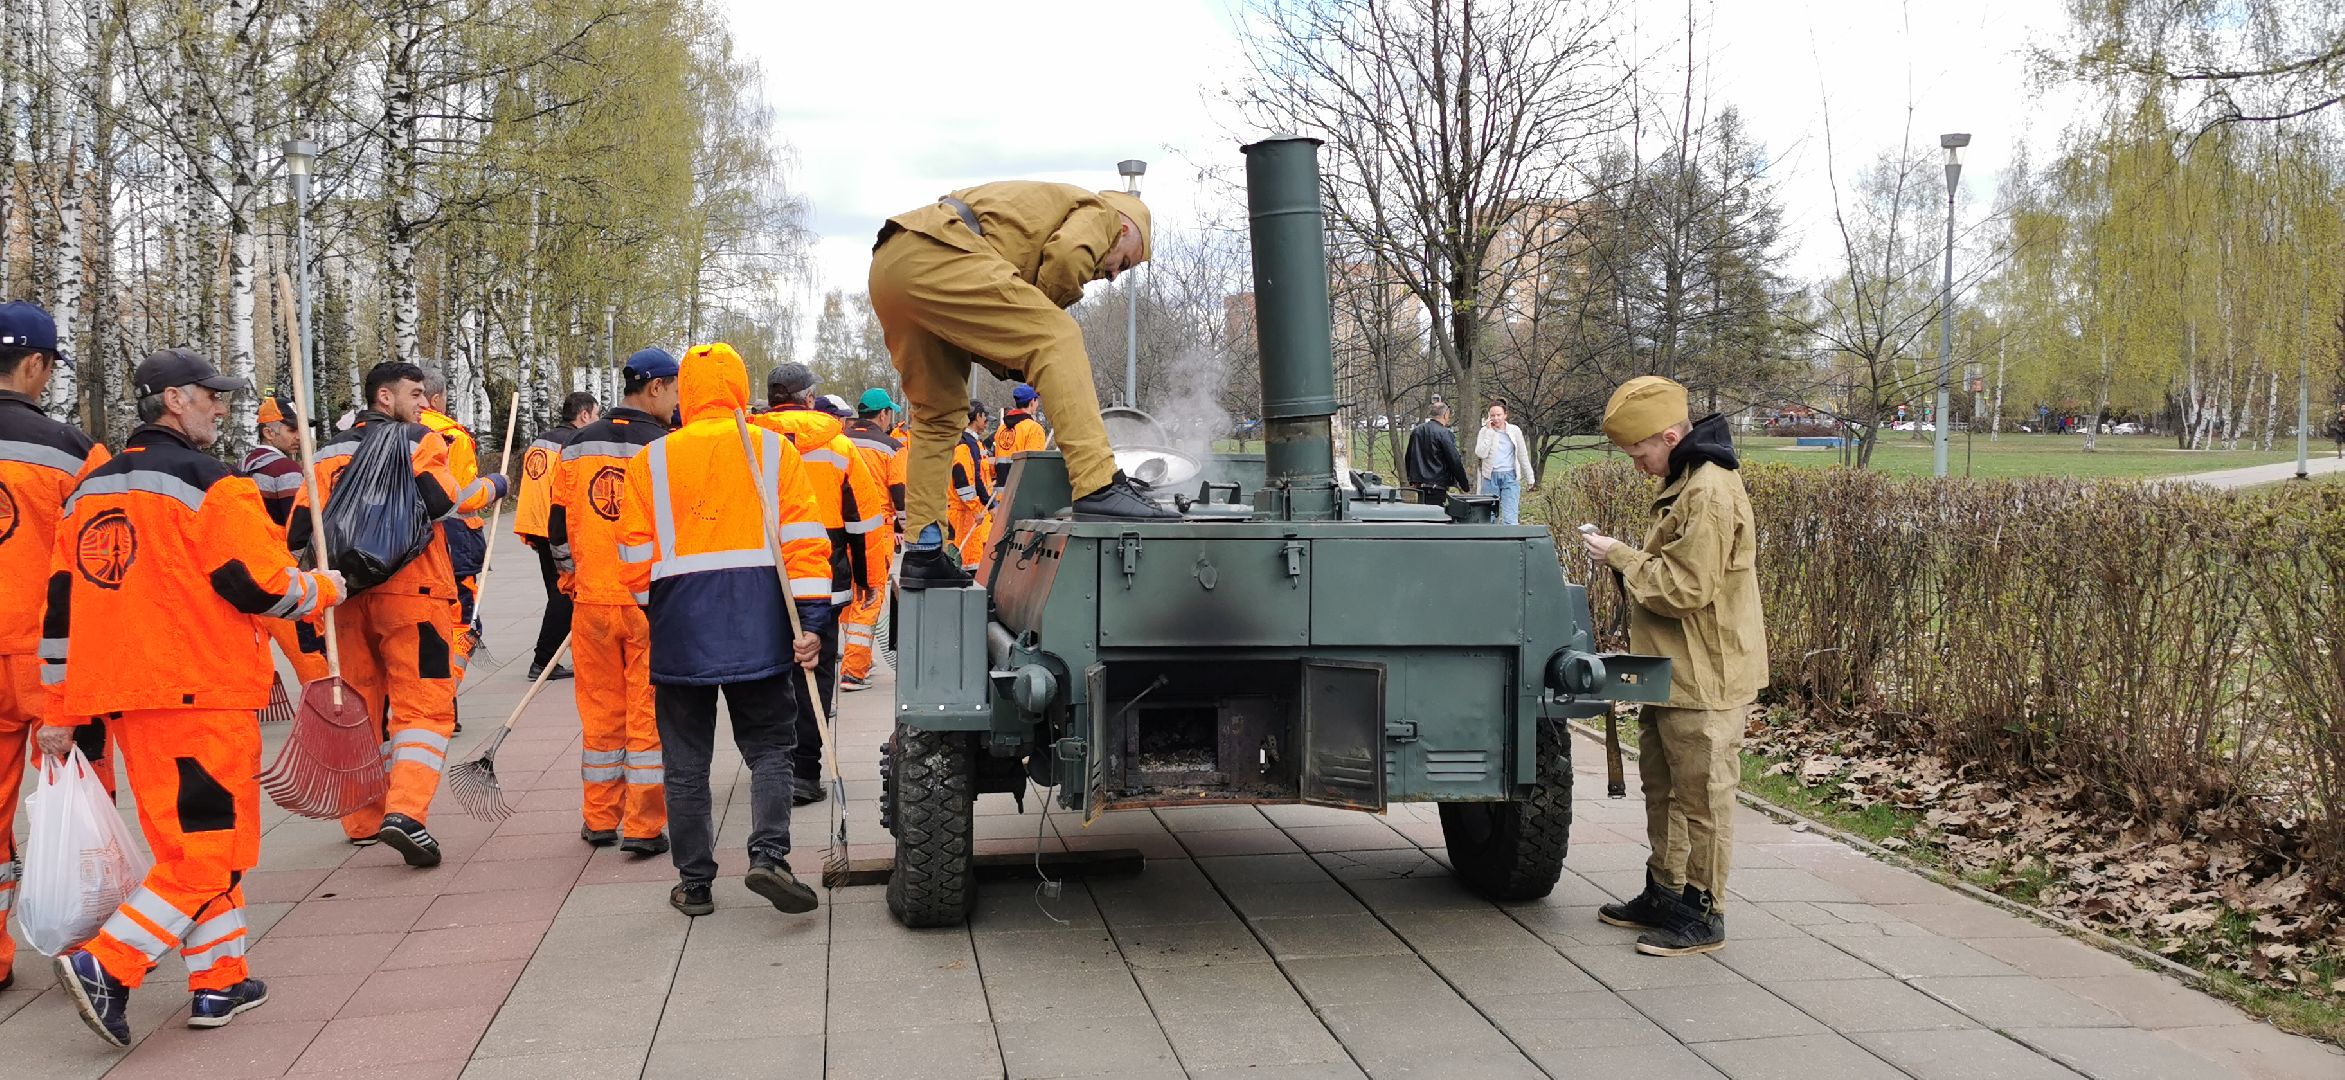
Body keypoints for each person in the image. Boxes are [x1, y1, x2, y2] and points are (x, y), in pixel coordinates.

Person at [44, 348, 345, 1044]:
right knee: (208, 855)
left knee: (189, 846)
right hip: (201, 693)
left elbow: (59, 612)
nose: (222, 406)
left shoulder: (88, 493)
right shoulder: (215, 486)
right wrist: (326, 590)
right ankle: (106, 964)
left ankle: (219, 983)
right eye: (213, 395)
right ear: (176, 400)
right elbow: (262, 587)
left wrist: (61, 709)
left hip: (129, 700)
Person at [867, 181, 1178, 591]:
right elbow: (1066, 258)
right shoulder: (1102, 213)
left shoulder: (1049, 210)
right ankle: (1099, 485)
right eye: (1127, 261)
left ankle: (924, 550)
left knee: (938, 414)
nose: (1116, 274)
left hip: (892, 268)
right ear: (1124, 230)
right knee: (1058, 336)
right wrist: (1034, 338)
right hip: (941, 251)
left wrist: (1018, 346)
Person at [616, 342, 830, 919]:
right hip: (760, 628)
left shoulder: (652, 461)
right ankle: (769, 856)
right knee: (770, 750)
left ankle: (695, 883)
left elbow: (634, 562)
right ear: (739, 389)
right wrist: (810, 625)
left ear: (685, 391)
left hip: (680, 632)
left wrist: (656, 612)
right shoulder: (773, 452)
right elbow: (805, 546)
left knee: (686, 764)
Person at [1579, 376, 1767, 957]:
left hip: (1706, 676)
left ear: (1668, 435)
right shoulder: (1685, 478)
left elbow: (1686, 588)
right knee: (1663, 790)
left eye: (1640, 452)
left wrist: (1620, 556)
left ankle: (1703, 911)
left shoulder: (1708, 491)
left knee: (1704, 799)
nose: (1637, 464)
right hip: (1675, 671)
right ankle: (1665, 892)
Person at [290, 361, 504, 865]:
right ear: (384, 398)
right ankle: (406, 814)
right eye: (415, 394)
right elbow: (441, 500)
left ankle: (363, 820)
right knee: (425, 706)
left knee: (360, 707)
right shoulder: (417, 441)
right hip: (414, 593)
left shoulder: (324, 454)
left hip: (345, 598)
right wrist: (493, 487)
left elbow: (299, 530)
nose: (425, 403)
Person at [0, 301, 111, 995]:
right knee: (81, 793)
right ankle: (91, 944)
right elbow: (108, 557)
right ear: (37, 364)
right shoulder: (74, 451)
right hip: (54, 658)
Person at [549, 352, 675, 855]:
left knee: (601, 712)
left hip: (592, 602)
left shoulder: (577, 443)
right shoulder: (665, 447)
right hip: (649, 600)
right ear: (655, 389)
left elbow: (556, 524)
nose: (678, 400)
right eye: (675, 390)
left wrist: (569, 576)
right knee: (648, 711)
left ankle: (600, 817)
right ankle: (644, 826)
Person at [753, 363, 890, 803]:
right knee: (813, 675)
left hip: (759, 579)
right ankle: (805, 772)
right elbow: (864, 521)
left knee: (767, 677)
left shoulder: (747, 440)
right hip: (823, 580)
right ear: (810, 398)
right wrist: (869, 579)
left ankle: (770, 768)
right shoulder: (837, 446)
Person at [239, 394, 329, 686]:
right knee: (310, 651)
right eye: (292, 429)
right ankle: (328, 711)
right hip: (285, 572)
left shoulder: (243, 467)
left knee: (249, 650)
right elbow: (299, 527)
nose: (299, 436)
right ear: (269, 431)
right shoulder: (286, 471)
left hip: (249, 573)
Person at [515, 391, 599, 681]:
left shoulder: (541, 441)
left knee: (559, 593)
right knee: (564, 594)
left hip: (535, 524)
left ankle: (558, 656)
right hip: (555, 529)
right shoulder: (573, 444)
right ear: (584, 415)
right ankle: (543, 659)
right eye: (596, 415)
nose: (596, 421)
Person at [418, 372, 490, 684]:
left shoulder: (392, 433)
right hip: (455, 544)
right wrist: (495, 485)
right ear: (435, 399)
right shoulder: (450, 436)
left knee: (425, 627)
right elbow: (464, 496)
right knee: (464, 624)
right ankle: (446, 692)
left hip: (410, 551)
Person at [839, 390, 904, 692]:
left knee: (847, 594)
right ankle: (854, 670)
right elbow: (900, 492)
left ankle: (857, 656)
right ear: (882, 415)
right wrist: (906, 526)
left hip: (839, 528)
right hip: (876, 531)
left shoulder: (839, 442)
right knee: (870, 595)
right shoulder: (891, 447)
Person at [1474, 403, 1535, 525]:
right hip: (1490, 477)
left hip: (1510, 477)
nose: (1496, 418)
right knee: (1488, 517)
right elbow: (1480, 453)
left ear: (1505, 415)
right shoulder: (1484, 431)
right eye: (1492, 415)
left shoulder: (1514, 430)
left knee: (1510, 517)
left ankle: (1510, 541)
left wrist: (1530, 477)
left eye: (1499, 415)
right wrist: (1490, 433)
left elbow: (1522, 454)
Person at [951, 402, 994, 573]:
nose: (986, 423)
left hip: (971, 516)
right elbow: (964, 483)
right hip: (963, 516)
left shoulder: (975, 445)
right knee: (965, 568)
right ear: (977, 416)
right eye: (985, 418)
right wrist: (977, 508)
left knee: (973, 564)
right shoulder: (963, 446)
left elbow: (980, 478)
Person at [1403, 400, 1469, 508]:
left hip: (1420, 486)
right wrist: (1464, 485)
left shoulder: (1417, 431)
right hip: (1437, 484)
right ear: (1445, 415)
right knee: (1436, 518)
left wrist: (1411, 479)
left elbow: (1408, 457)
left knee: (1422, 518)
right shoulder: (1444, 433)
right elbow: (1454, 460)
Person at [993, 383, 1049, 486]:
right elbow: (1034, 466)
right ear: (1032, 401)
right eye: (1037, 400)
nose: (1038, 404)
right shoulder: (1034, 429)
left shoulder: (1001, 429)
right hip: (1022, 493)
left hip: (1001, 493)